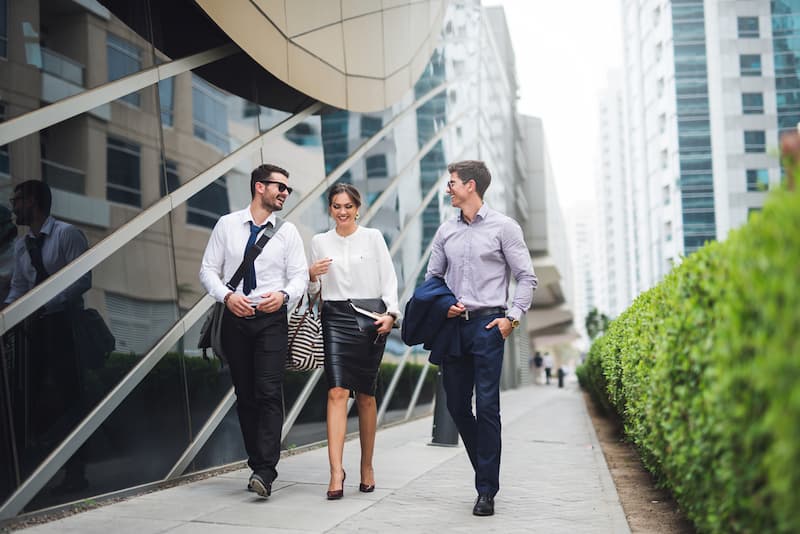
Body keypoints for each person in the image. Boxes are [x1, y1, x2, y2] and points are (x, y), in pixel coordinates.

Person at [425, 160, 537, 517]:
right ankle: (485, 469)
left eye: (453, 182)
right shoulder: (445, 231)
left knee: (487, 407)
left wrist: (512, 320)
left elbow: (526, 277)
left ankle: (485, 489)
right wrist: (444, 307)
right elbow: (433, 280)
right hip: (455, 328)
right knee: (457, 405)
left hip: (490, 326)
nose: (448, 188)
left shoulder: (505, 227)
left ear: (471, 186)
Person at [199, 163, 308, 499]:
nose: (285, 194)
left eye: (287, 189)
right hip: (235, 318)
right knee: (245, 394)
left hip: (271, 319)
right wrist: (227, 297)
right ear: (260, 187)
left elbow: (300, 276)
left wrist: (284, 296)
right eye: (280, 187)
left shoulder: (287, 232)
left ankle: (266, 470)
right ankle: (257, 461)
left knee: (269, 391)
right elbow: (207, 271)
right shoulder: (227, 225)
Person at [307, 183, 400, 500]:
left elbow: (389, 278)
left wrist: (392, 314)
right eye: (336, 206)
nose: (342, 212)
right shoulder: (319, 242)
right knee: (336, 391)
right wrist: (311, 275)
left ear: (357, 207)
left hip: (370, 318)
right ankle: (336, 472)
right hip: (334, 317)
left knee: (365, 395)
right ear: (330, 209)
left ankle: (367, 466)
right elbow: (312, 294)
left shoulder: (373, 237)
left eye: (348, 206)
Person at [3, 180, 92, 493]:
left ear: (33, 201)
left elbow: (82, 280)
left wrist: (46, 305)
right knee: (28, 396)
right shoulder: (22, 244)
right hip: (36, 330)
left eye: (17, 200)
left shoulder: (66, 235)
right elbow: (18, 287)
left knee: (70, 398)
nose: (13, 207)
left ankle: (76, 473)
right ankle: (29, 471)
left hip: (64, 325)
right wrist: (9, 313)